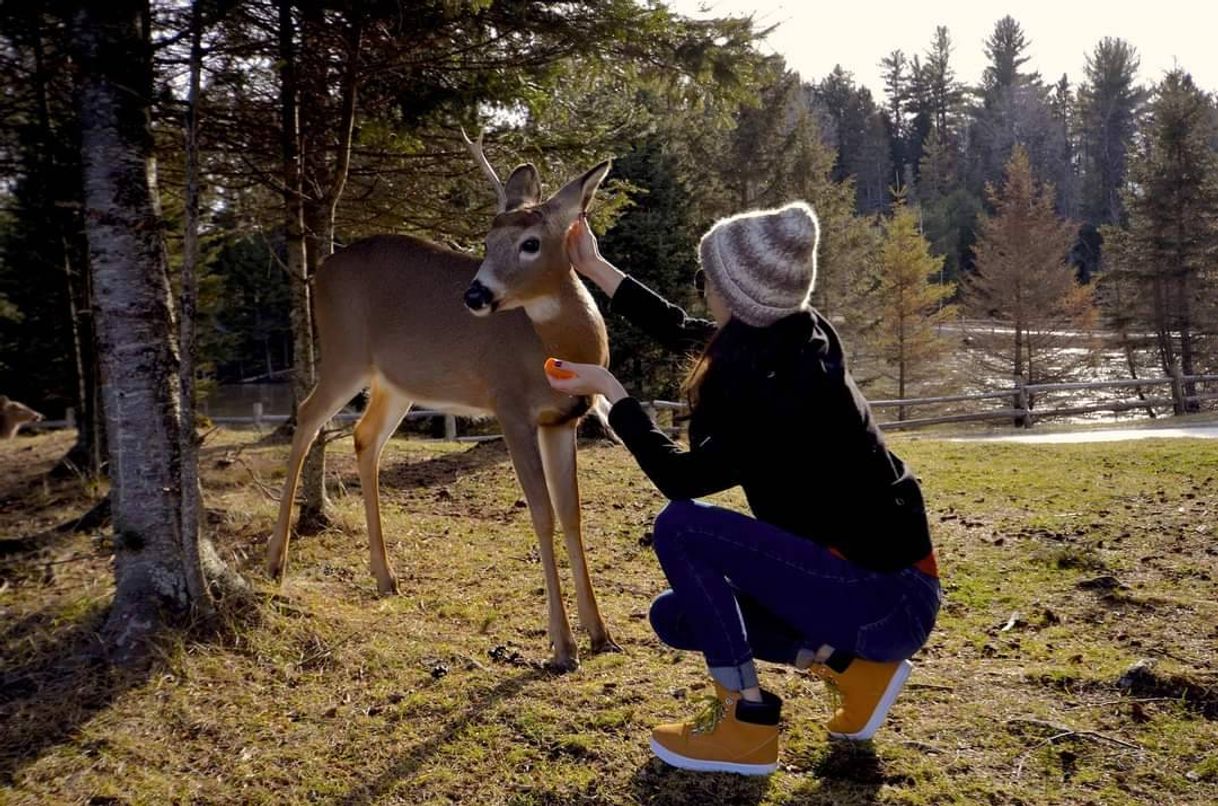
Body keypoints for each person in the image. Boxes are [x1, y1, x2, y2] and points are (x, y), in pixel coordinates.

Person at [545, 202, 941, 776]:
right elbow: (687, 331)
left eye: (709, 278)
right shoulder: (788, 336)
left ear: (739, 297)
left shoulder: (782, 392)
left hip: (886, 597)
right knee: (677, 618)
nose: (702, 288)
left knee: (681, 526)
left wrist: (612, 393)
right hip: (877, 586)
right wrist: (597, 268)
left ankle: (745, 723)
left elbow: (679, 480)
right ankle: (855, 672)